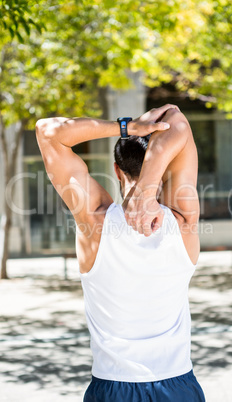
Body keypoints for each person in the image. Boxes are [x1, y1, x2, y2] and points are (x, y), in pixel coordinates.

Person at [36, 104, 205, 401]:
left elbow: (47, 131)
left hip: (112, 388)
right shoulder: (182, 220)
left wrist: (127, 127)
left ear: (116, 169)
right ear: (164, 165)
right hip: (177, 386)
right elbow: (176, 119)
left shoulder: (95, 220)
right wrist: (149, 188)